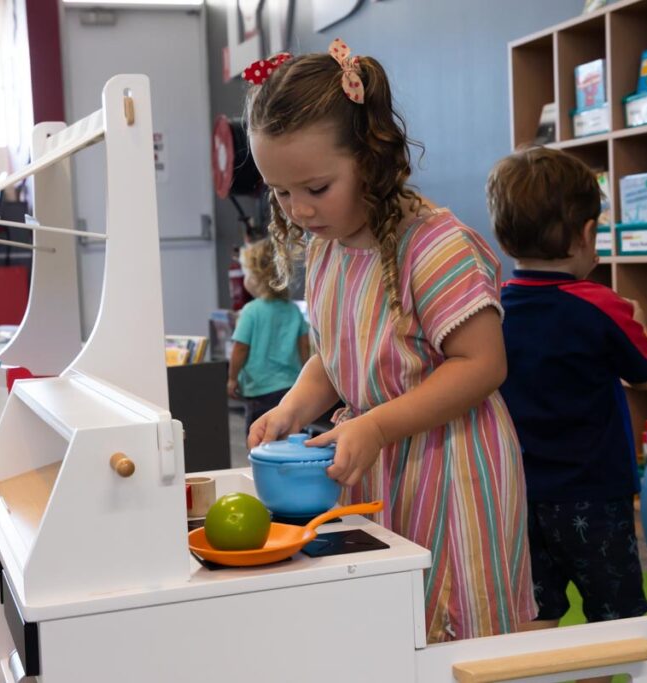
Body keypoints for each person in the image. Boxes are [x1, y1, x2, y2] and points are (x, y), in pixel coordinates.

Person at [242, 39, 536, 642]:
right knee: (389, 630)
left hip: (451, 472)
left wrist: (376, 425)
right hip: (377, 465)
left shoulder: (434, 245)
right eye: (280, 192)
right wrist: (293, 407)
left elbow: (482, 364)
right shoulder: (328, 246)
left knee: (453, 635)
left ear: (371, 159)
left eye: (316, 188)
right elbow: (339, 349)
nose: (298, 209)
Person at [486, 147, 647, 681]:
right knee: (610, 620)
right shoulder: (600, 304)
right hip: (595, 497)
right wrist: (636, 317)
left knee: (535, 611)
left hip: (518, 494)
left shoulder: (492, 305)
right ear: (587, 234)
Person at [228, 238, 310, 432]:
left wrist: (232, 378)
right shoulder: (293, 310)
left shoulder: (251, 311)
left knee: (260, 438)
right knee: (288, 435)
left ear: (256, 277)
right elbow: (304, 347)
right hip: (291, 388)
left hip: (260, 390)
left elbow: (240, 348)